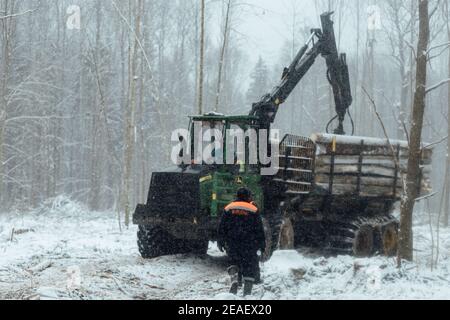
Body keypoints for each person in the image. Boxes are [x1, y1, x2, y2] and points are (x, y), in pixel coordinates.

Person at [218, 188, 266, 296]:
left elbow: (222, 227)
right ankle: (247, 293)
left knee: (233, 261)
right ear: (248, 197)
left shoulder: (228, 208)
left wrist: (220, 241)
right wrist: (262, 244)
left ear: (237, 196)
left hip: (232, 242)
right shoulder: (253, 209)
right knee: (249, 265)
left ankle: (234, 280)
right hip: (249, 243)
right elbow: (259, 229)